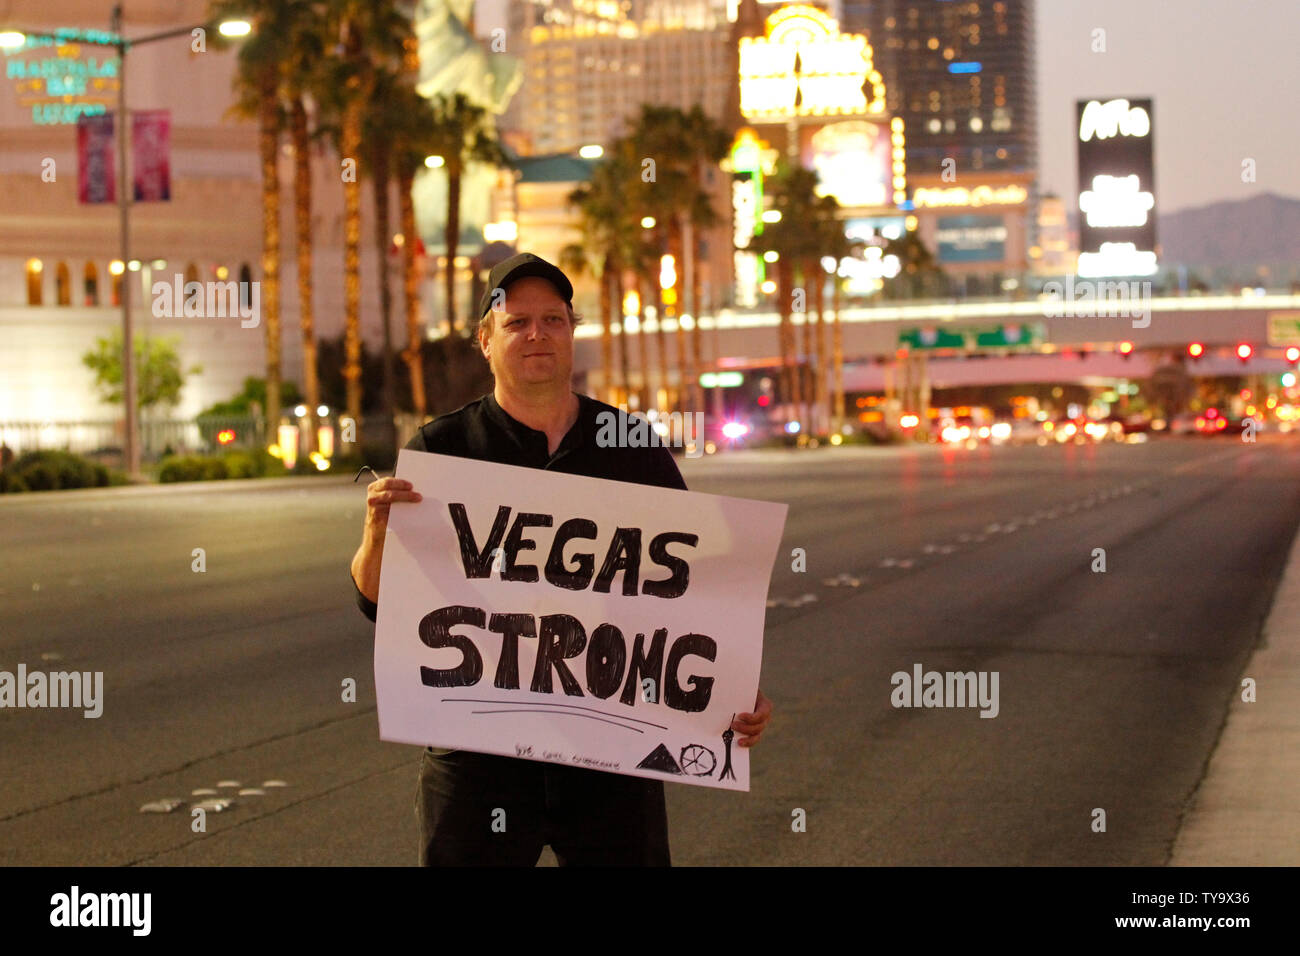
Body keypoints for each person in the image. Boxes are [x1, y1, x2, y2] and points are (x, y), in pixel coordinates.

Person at [350, 252, 772, 866]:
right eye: (517, 322)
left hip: (610, 754)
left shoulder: (630, 447)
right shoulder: (442, 450)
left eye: (553, 319)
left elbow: (692, 591)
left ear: (572, 333)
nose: (536, 334)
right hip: (478, 758)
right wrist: (376, 531)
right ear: (486, 341)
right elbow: (374, 602)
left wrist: (734, 689)